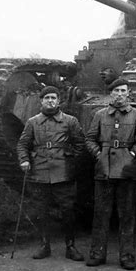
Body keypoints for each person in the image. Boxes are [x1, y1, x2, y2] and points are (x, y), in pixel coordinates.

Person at [85, 78, 136, 270]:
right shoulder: (100, 114)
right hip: (104, 168)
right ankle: (97, 253)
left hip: (126, 170)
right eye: (116, 91)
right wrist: (98, 154)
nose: (119, 94)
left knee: (127, 215)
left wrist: (132, 154)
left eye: (123, 91)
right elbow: (89, 138)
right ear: (110, 93)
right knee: (101, 214)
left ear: (128, 93)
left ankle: (127, 256)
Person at [16, 85, 86, 261]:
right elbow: (23, 144)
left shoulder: (70, 121)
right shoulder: (32, 122)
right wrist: (24, 160)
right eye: (47, 98)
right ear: (41, 101)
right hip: (39, 171)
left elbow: (80, 144)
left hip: (63, 172)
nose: (50, 101)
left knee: (68, 211)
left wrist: (70, 161)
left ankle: (70, 246)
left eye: (53, 98)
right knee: (41, 210)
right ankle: (44, 245)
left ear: (59, 101)